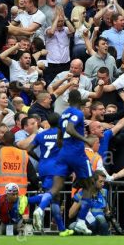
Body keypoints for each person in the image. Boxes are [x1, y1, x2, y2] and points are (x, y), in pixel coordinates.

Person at [32, 89, 94, 235]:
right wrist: (85, 140)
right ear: (79, 100)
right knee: (90, 186)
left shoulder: (63, 114)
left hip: (63, 155)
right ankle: (81, 221)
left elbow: (60, 137)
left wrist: (64, 147)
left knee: (55, 188)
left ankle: (40, 209)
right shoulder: (78, 113)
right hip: (77, 154)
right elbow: (70, 129)